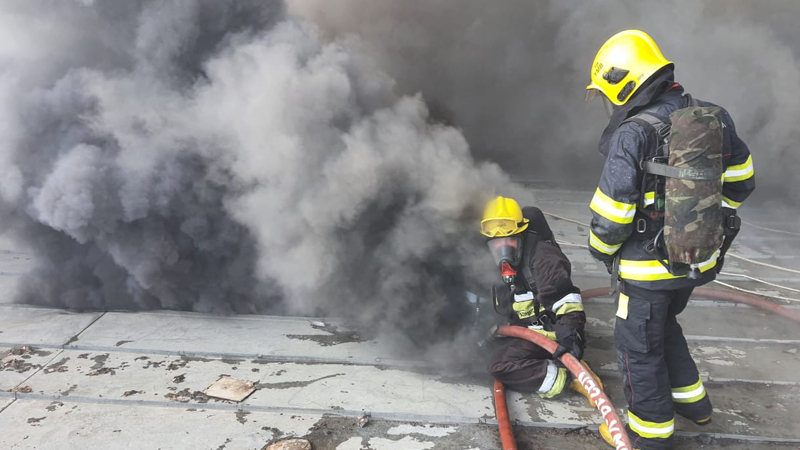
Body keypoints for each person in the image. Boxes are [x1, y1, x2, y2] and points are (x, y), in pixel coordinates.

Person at [584, 30, 755, 450]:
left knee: (637, 347)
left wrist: (601, 253)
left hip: (645, 272)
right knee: (664, 324)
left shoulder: (634, 132)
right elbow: (742, 181)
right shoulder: (713, 116)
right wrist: (702, 219)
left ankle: (648, 434)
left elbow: (611, 218)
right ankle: (694, 404)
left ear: (624, 82)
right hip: (696, 260)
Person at [480, 196, 601, 404]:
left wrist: (570, 339)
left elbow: (568, 305)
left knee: (498, 366)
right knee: (474, 356)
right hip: (522, 329)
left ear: (521, 234)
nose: (503, 250)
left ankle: (567, 377)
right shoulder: (491, 262)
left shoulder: (544, 260)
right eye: (497, 243)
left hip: (550, 334)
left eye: (509, 240)